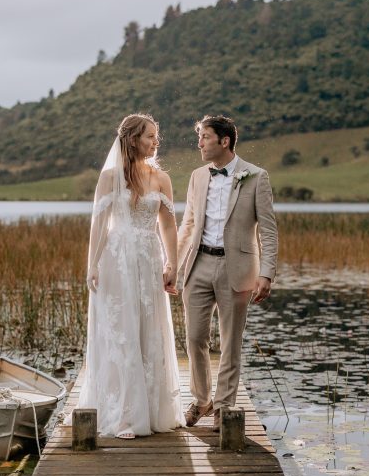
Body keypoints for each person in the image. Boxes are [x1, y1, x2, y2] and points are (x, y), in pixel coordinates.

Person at [77, 113, 184, 439]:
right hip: (117, 260)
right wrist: (91, 264)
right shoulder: (110, 176)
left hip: (148, 258)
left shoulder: (161, 178)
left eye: (156, 135)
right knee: (119, 329)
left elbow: (167, 224)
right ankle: (122, 414)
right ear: (133, 139)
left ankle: (150, 410)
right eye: (150, 136)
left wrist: (172, 263)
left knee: (147, 329)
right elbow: (99, 223)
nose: (156, 141)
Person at [172, 115, 278, 432]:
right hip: (198, 264)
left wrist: (267, 273)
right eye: (200, 137)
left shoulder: (256, 177)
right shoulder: (196, 177)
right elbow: (188, 224)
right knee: (194, 339)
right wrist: (173, 267)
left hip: (239, 269)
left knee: (231, 342)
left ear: (224, 141)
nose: (200, 143)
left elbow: (269, 232)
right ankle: (201, 400)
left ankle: (224, 406)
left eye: (205, 137)